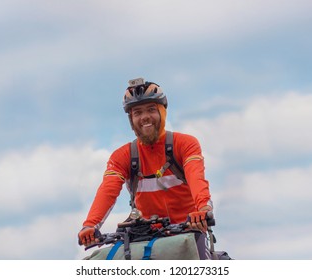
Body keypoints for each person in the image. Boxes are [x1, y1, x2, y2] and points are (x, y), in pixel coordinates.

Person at [78, 78, 214, 258]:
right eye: (137, 112)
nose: (144, 117)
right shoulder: (123, 156)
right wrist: (90, 226)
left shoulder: (184, 144)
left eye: (151, 109)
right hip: (144, 237)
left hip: (188, 232)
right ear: (131, 119)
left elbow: (197, 178)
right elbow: (107, 190)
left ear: (162, 113)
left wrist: (203, 210)